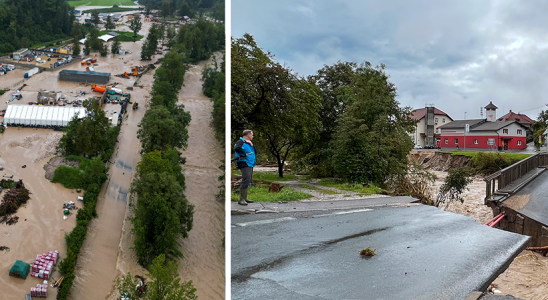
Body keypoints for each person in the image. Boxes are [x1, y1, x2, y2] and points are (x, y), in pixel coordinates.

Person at [234, 130, 256, 205]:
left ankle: (245, 198)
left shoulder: (247, 143)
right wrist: (243, 154)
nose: (252, 136)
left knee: (248, 180)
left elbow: (254, 152)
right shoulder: (240, 141)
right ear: (248, 135)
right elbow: (237, 148)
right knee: (245, 179)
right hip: (244, 163)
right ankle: (241, 199)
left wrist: (251, 145)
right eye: (252, 135)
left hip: (250, 163)